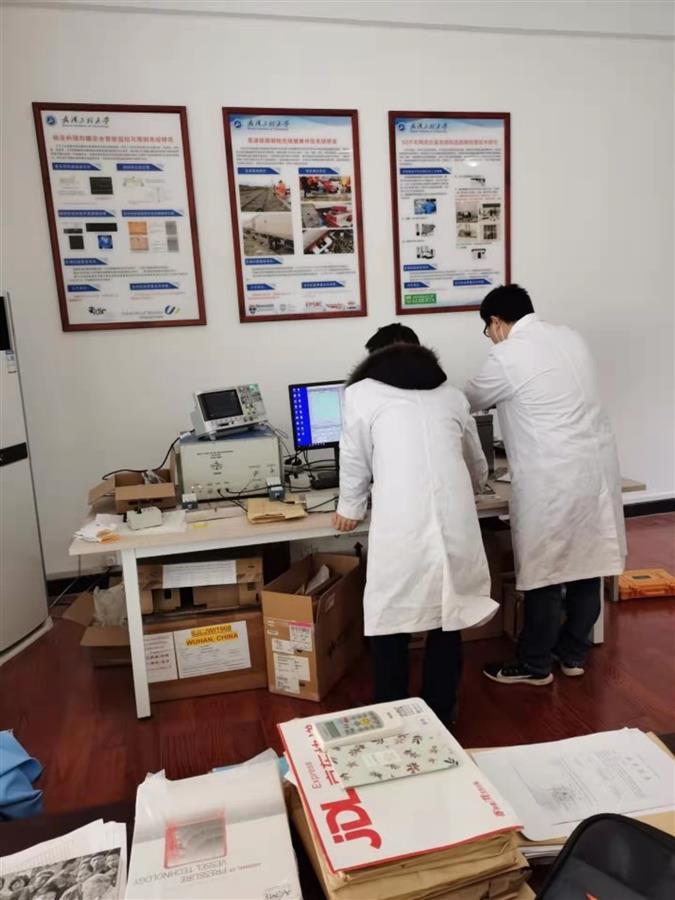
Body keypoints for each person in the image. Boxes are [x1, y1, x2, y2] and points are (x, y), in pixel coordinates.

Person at [333, 326, 497, 722]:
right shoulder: (451, 395)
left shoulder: (361, 394)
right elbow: (475, 458)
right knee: (447, 613)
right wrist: (478, 486)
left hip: (401, 522)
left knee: (391, 616)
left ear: (374, 359)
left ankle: (392, 708)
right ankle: (442, 709)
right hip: (454, 517)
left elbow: (354, 457)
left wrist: (350, 506)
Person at [465, 284, 626, 685]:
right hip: (595, 471)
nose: (491, 337)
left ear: (496, 322)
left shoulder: (507, 354)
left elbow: (467, 401)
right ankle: (572, 656)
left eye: (488, 330)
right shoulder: (570, 337)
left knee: (546, 574)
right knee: (588, 566)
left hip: (551, 477)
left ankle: (535, 665)